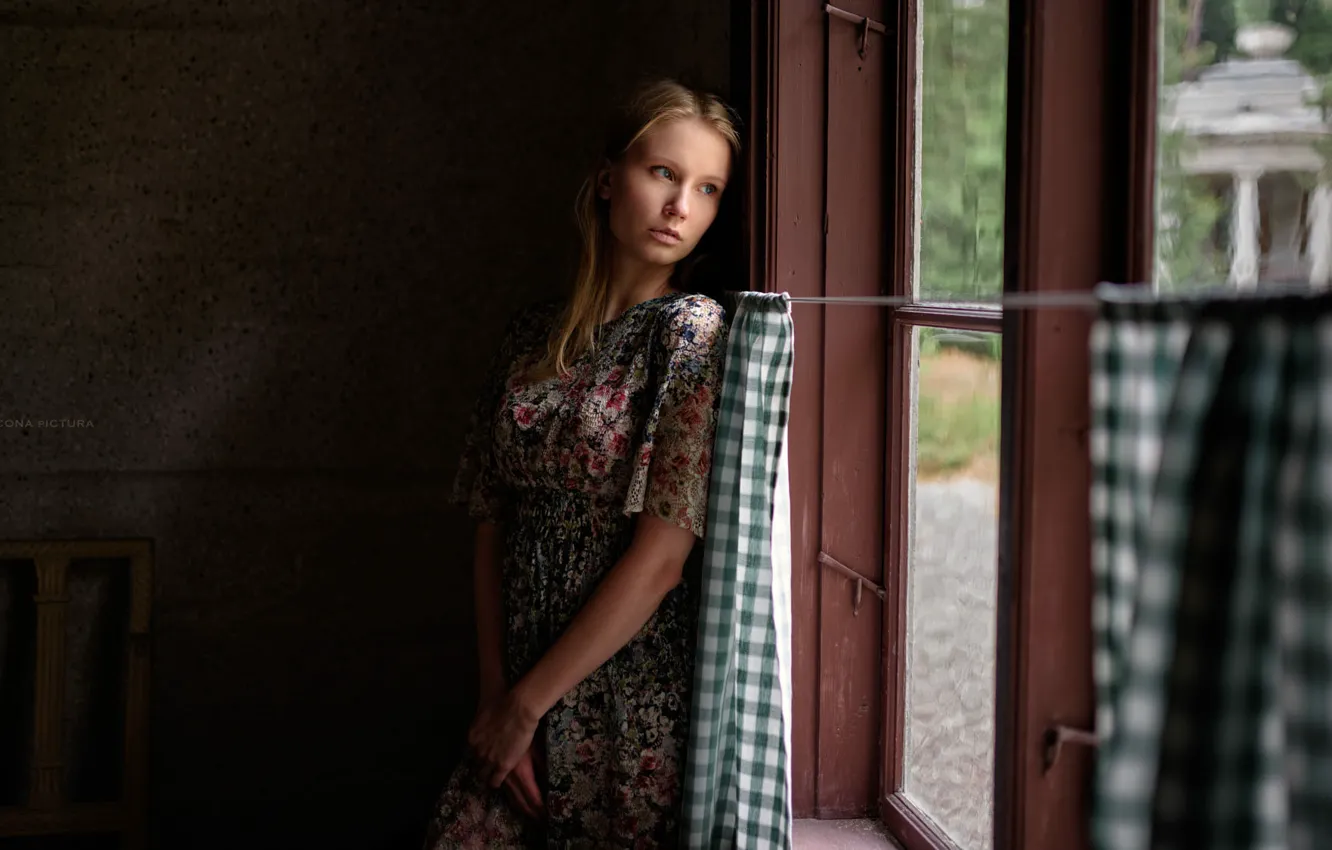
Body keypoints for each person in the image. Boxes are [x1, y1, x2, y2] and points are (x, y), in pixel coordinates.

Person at [423, 79, 742, 849]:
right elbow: (491, 523)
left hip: (621, 703)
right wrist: (497, 699)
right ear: (606, 178)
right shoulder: (529, 334)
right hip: (512, 692)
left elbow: (662, 560)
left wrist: (528, 705)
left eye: (707, 189)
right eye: (663, 173)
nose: (681, 207)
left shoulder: (689, 334)